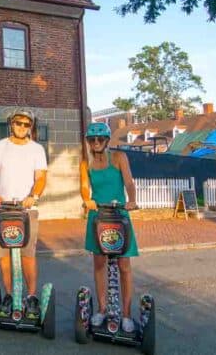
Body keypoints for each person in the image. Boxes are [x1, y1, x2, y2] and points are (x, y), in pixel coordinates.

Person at [0, 108, 47, 320]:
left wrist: (34, 196)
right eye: (18, 123)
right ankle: (10, 294)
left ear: (31, 127)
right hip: (2, 209)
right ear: (11, 124)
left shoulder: (37, 149)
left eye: (26, 124)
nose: (22, 127)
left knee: (27, 255)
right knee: (4, 256)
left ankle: (31, 296)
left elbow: (41, 177)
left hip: (26, 209)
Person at [79, 122, 140, 333]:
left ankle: (126, 314)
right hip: (98, 216)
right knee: (99, 263)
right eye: (92, 140)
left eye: (100, 139)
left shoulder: (119, 158)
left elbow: (129, 183)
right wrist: (87, 200)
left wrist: (132, 200)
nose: (96, 143)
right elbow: (84, 187)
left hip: (119, 215)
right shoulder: (85, 162)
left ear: (106, 141)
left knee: (124, 265)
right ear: (88, 141)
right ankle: (103, 309)